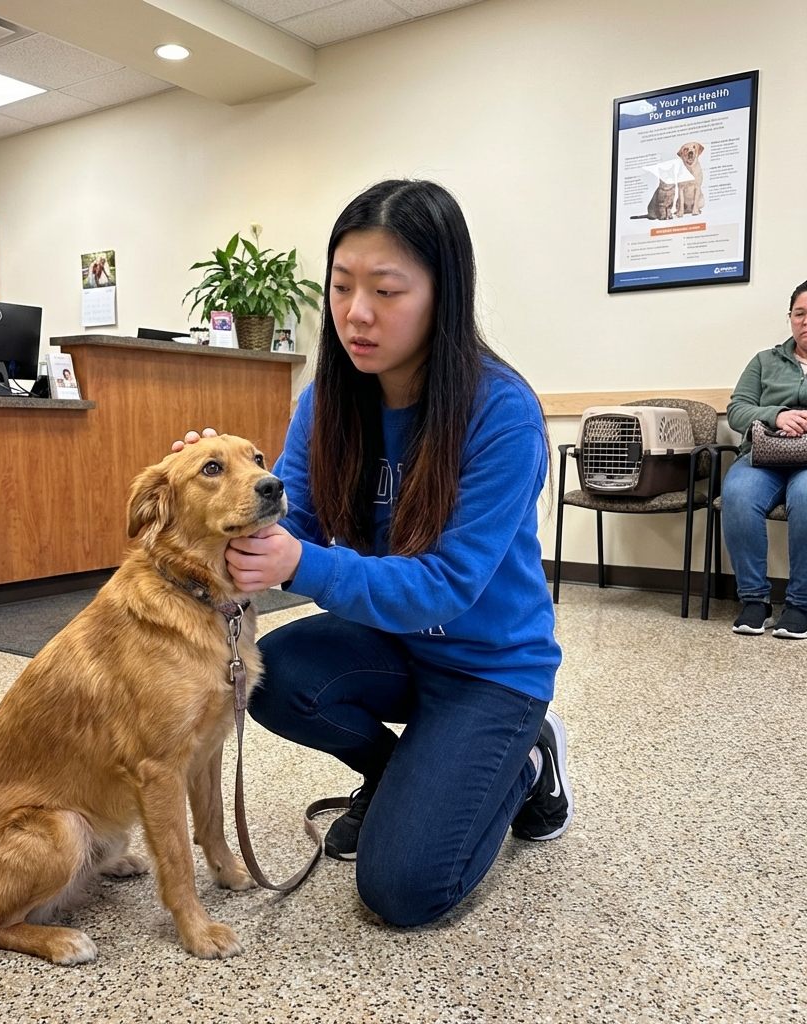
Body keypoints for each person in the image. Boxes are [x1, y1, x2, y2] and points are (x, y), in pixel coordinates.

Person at [173, 179, 572, 928]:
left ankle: (524, 763)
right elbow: (293, 523)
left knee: (403, 891)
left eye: (386, 290)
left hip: (489, 669)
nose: (357, 313)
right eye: (342, 286)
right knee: (266, 677)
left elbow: (446, 587)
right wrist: (215, 493)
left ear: (441, 294)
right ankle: (398, 775)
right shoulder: (326, 399)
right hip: (390, 646)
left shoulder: (501, 411)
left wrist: (299, 563)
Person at [722, 279, 807, 639]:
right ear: (789, 318)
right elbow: (736, 410)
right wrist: (776, 415)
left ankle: (801, 603)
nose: (806, 321)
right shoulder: (764, 361)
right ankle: (755, 599)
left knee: (806, 499)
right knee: (738, 494)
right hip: (764, 455)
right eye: (800, 313)